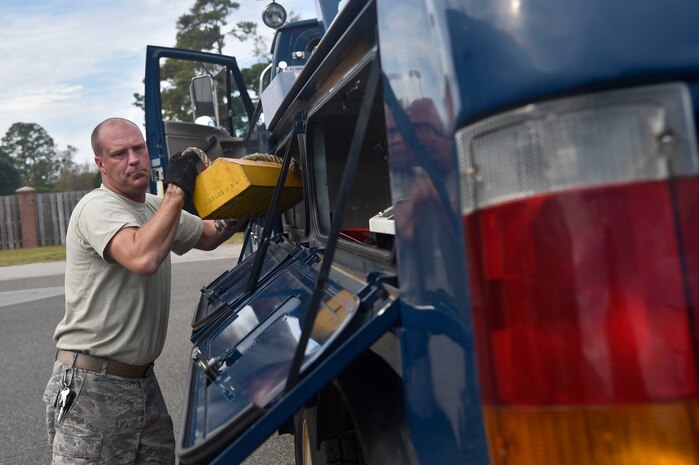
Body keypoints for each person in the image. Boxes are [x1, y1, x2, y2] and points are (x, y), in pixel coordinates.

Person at [42, 117, 241, 464]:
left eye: (139, 148)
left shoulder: (153, 206)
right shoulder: (96, 207)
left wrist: (250, 197)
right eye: (119, 153)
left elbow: (210, 236)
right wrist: (177, 192)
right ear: (100, 164)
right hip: (92, 387)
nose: (134, 159)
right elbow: (142, 256)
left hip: (141, 383)